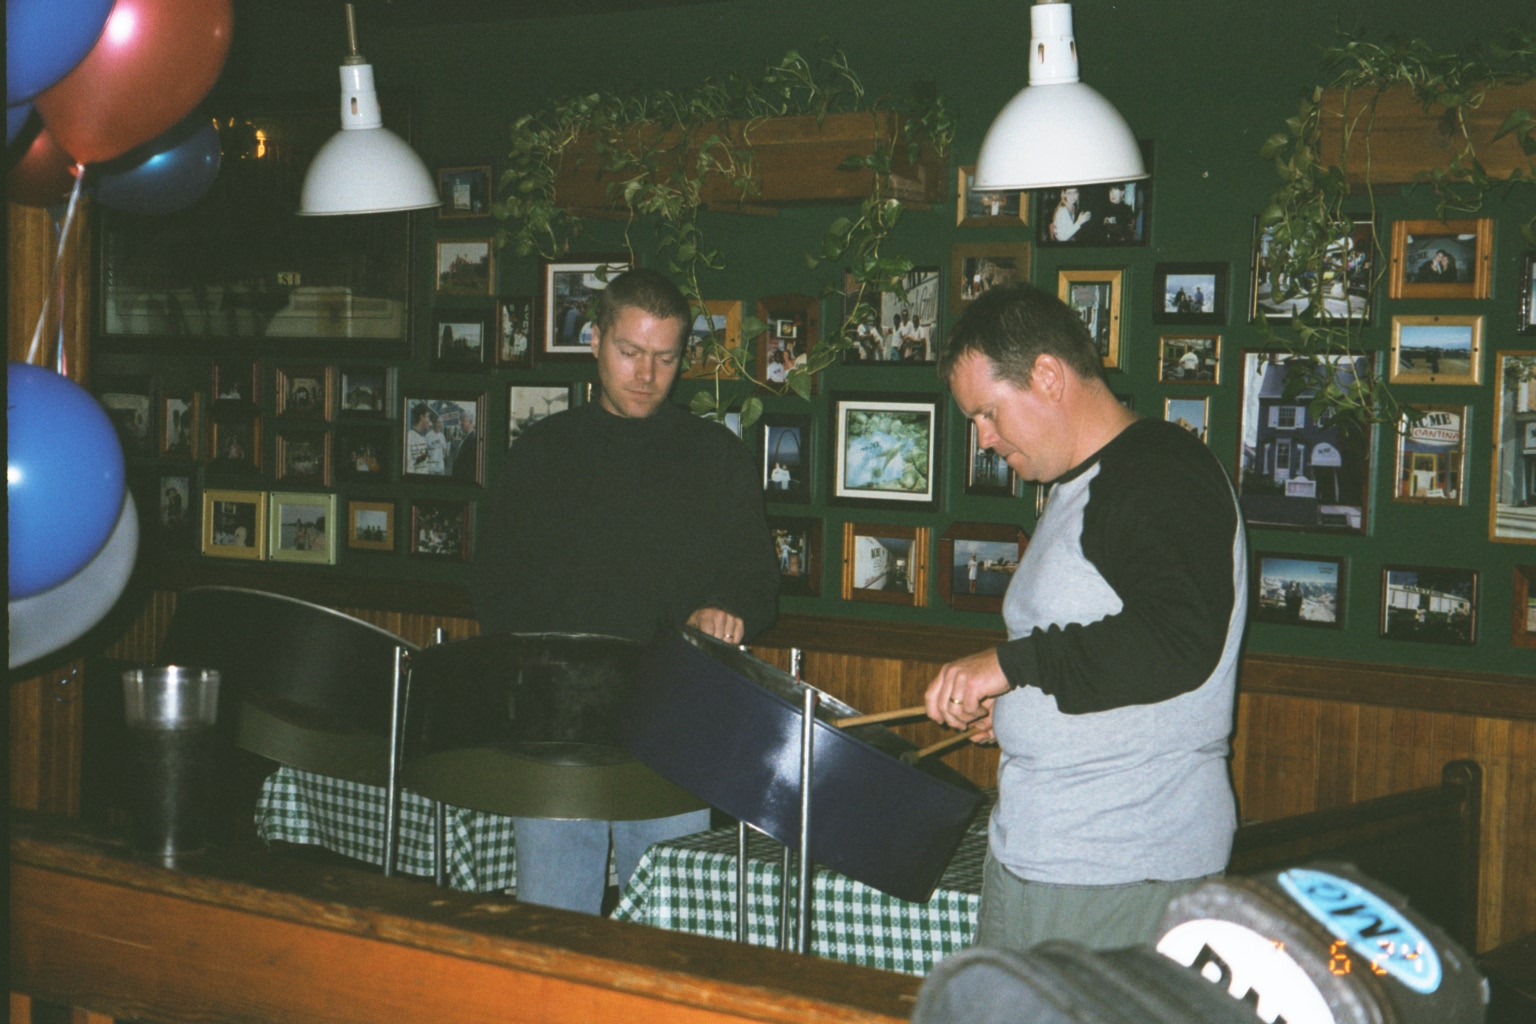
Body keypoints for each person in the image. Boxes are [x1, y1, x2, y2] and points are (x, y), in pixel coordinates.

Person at [922, 281, 1248, 953]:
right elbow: (1102, 648)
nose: (983, 439)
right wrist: (1018, 700)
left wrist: (1011, 664)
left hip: (1119, 866)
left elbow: (1179, 640)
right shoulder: (1081, 484)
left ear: (1047, 376)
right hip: (1052, 855)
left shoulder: (1156, 473)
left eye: (987, 413)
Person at [473, 267, 779, 916]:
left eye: (665, 358)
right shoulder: (541, 453)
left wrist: (729, 611)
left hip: (675, 725)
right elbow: (495, 592)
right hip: (559, 726)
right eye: (630, 352)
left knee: (670, 934)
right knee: (552, 930)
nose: (646, 374)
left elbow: (757, 584)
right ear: (594, 341)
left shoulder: (716, 456)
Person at [450, 408, 479, 483]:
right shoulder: (466, 437)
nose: (460, 423)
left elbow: (471, 465)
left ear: (470, 422)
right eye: (460, 420)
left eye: (463, 420)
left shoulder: (473, 439)